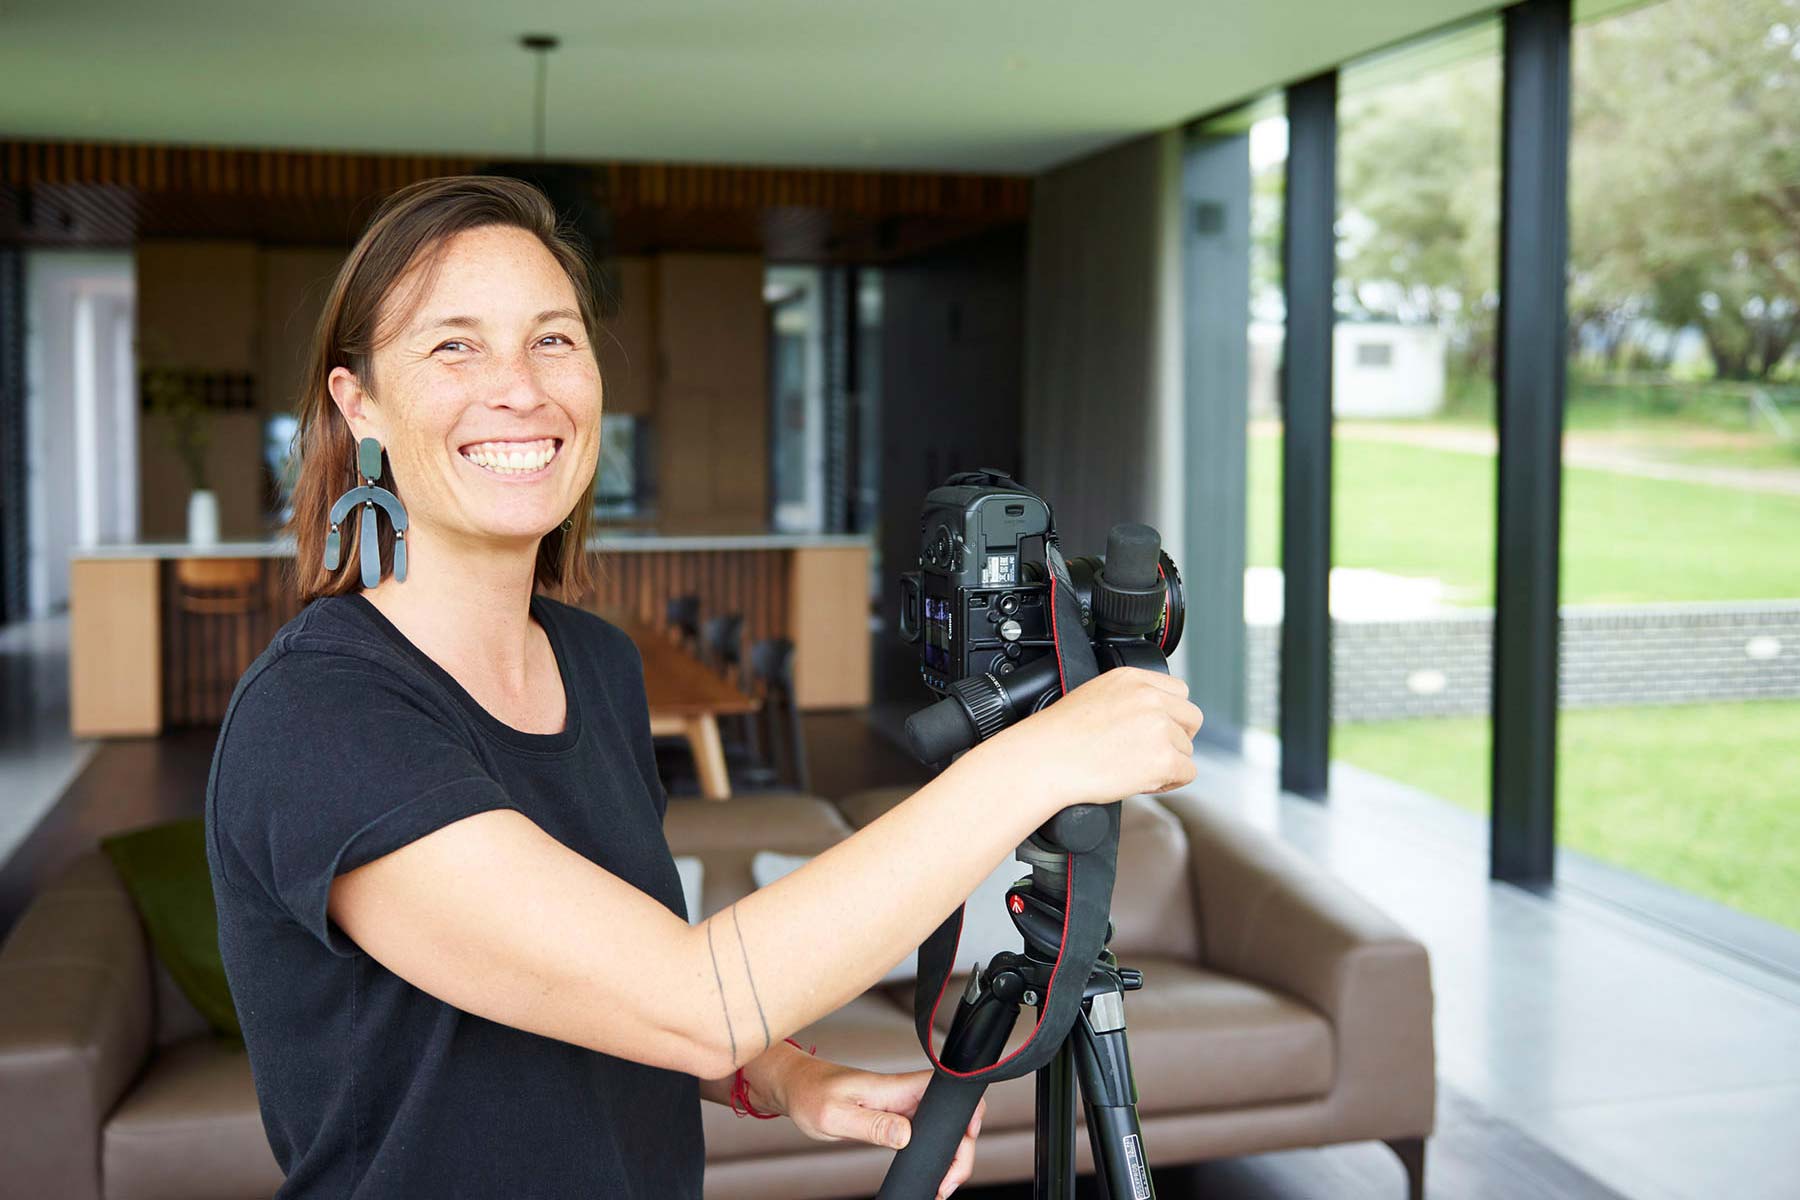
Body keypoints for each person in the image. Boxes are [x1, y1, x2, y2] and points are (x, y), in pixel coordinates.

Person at [204, 174, 1204, 1200]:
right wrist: (1041, 761)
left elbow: (615, 974)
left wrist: (780, 1070)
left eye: (554, 339)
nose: (520, 386)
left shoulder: (595, 665)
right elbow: (691, 997)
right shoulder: (320, 718)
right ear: (356, 403)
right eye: (453, 344)